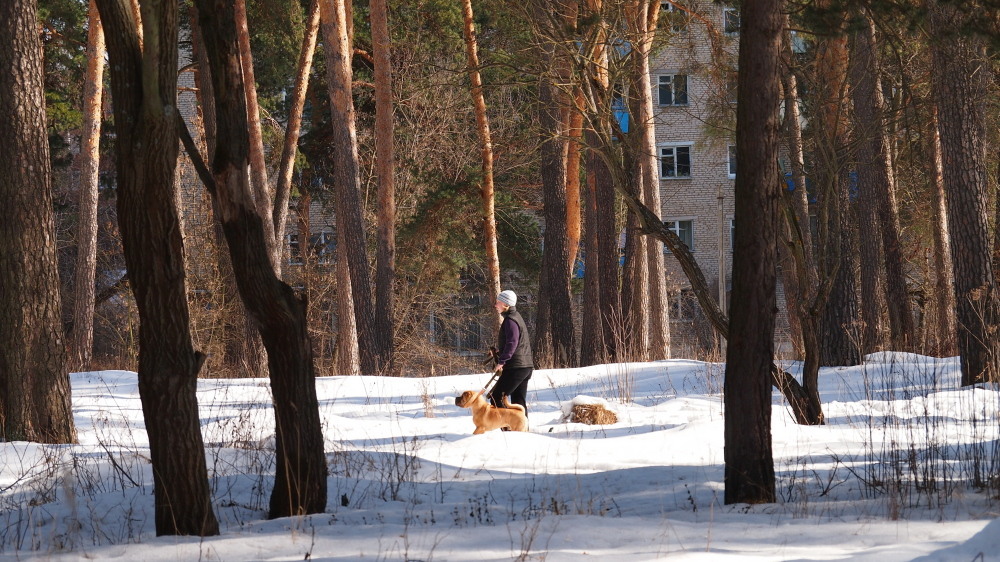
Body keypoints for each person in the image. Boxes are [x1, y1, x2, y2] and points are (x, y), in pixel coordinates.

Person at [489, 290, 534, 422]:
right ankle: (521, 430)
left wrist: (502, 361)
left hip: (516, 368)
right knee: (518, 401)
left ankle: (507, 428)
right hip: (525, 367)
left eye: (498, 302)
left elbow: (512, 342)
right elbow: (516, 342)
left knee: (496, 397)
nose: (496, 305)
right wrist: (500, 351)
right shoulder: (516, 316)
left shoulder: (510, 320)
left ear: (505, 304)